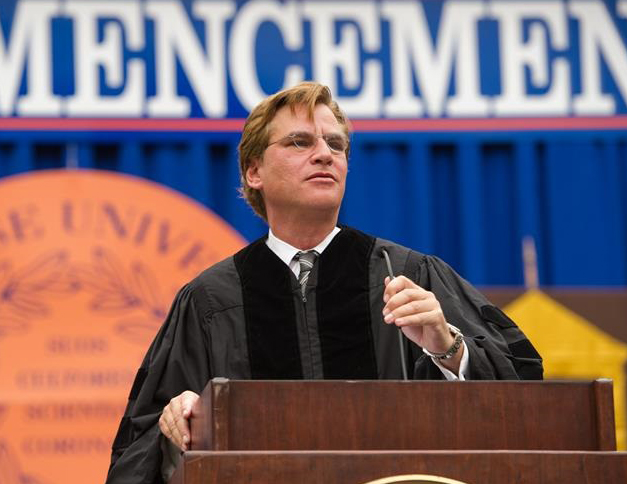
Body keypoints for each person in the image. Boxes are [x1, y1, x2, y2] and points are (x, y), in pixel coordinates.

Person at [105, 82, 543, 484]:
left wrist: (449, 349)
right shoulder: (209, 301)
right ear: (253, 171)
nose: (324, 154)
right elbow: (138, 449)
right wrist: (177, 426)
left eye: (336, 144)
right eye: (300, 141)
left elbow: (525, 397)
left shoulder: (407, 275)